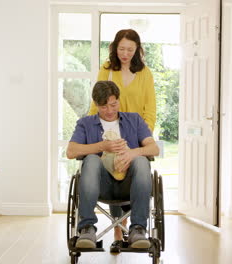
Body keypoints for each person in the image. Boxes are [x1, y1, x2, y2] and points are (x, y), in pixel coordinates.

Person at [67, 81, 159, 249]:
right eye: (103, 107)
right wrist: (102, 147)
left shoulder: (134, 120)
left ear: (118, 100)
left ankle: (138, 229)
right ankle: (87, 228)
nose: (109, 111)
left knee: (141, 160)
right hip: (100, 185)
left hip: (130, 184)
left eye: (113, 104)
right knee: (91, 159)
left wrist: (132, 153)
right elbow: (71, 151)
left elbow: (154, 148)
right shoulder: (85, 123)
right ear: (95, 104)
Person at [88, 29, 157, 243]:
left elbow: (150, 109)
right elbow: (97, 100)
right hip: (110, 130)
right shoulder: (107, 69)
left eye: (130, 49)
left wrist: (142, 136)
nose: (125, 53)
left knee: (133, 171)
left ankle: (130, 225)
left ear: (137, 50)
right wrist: (92, 132)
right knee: (112, 170)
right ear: (115, 47)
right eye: (121, 49)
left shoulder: (144, 73)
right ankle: (118, 228)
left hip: (135, 133)